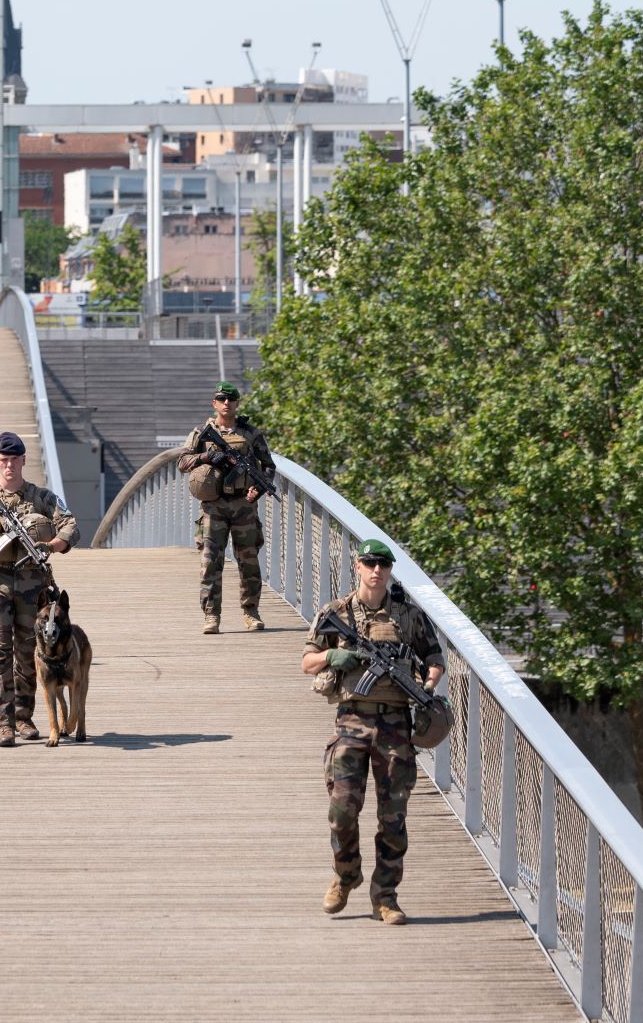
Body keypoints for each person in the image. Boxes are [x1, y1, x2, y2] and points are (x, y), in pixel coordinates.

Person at [301, 539, 445, 926]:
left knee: (393, 817)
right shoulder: (336, 613)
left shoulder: (409, 617)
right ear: (358, 566)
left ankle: (386, 896)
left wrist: (427, 685)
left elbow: (434, 659)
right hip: (351, 722)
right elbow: (307, 662)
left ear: (390, 569)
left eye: (383, 563)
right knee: (341, 812)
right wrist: (332, 655)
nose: (376, 569)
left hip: (395, 726)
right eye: (369, 562)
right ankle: (346, 875)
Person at [0, 431, 79, 746]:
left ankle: (24, 717)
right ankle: (4, 723)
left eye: (15, 459)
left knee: (28, 653)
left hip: (31, 586)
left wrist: (52, 544)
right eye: (4, 459)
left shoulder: (41, 497)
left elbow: (71, 525)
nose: (9, 465)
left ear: (24, 460)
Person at [176, 380, 275, 634]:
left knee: (249, 561)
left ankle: (251, 612)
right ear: (214, 403)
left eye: (231, 399)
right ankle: (211, 616)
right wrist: (207, 456)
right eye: (222, 399)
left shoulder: (250, 433)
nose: (227, 403)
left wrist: (259, 489)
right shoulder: (201, 432)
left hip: (244, 505)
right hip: (214, 507)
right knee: (210, 562)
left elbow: (268, 466)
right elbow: (182, 462)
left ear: (237, 403)